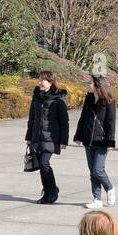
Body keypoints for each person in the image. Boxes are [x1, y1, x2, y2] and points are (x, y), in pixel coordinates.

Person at [73, 72, 117, 210]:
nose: (88, 85)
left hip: (102, 141)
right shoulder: (89, 99)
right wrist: (78, 135)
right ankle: (97, 199)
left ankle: (109, 188)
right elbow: (83, 118)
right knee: (92, 171)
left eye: (90, 82)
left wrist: (110, 142)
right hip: (88, 140)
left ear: (98, 85)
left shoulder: (109, 101)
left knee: (98, 170)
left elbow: (111, 123)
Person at [25, 70, 69, 204]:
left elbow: (64, 121)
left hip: (51, 137)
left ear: (50, 82)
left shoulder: (58, 99)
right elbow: (32, 117)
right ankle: (48, 191)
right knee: (41, 166)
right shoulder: (37, 97)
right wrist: (28, 137)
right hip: (36, 137)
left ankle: (53, 192)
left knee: (44, 163)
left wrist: (63, 140)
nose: (39, 83)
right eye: (39, 80)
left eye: (42, 80)